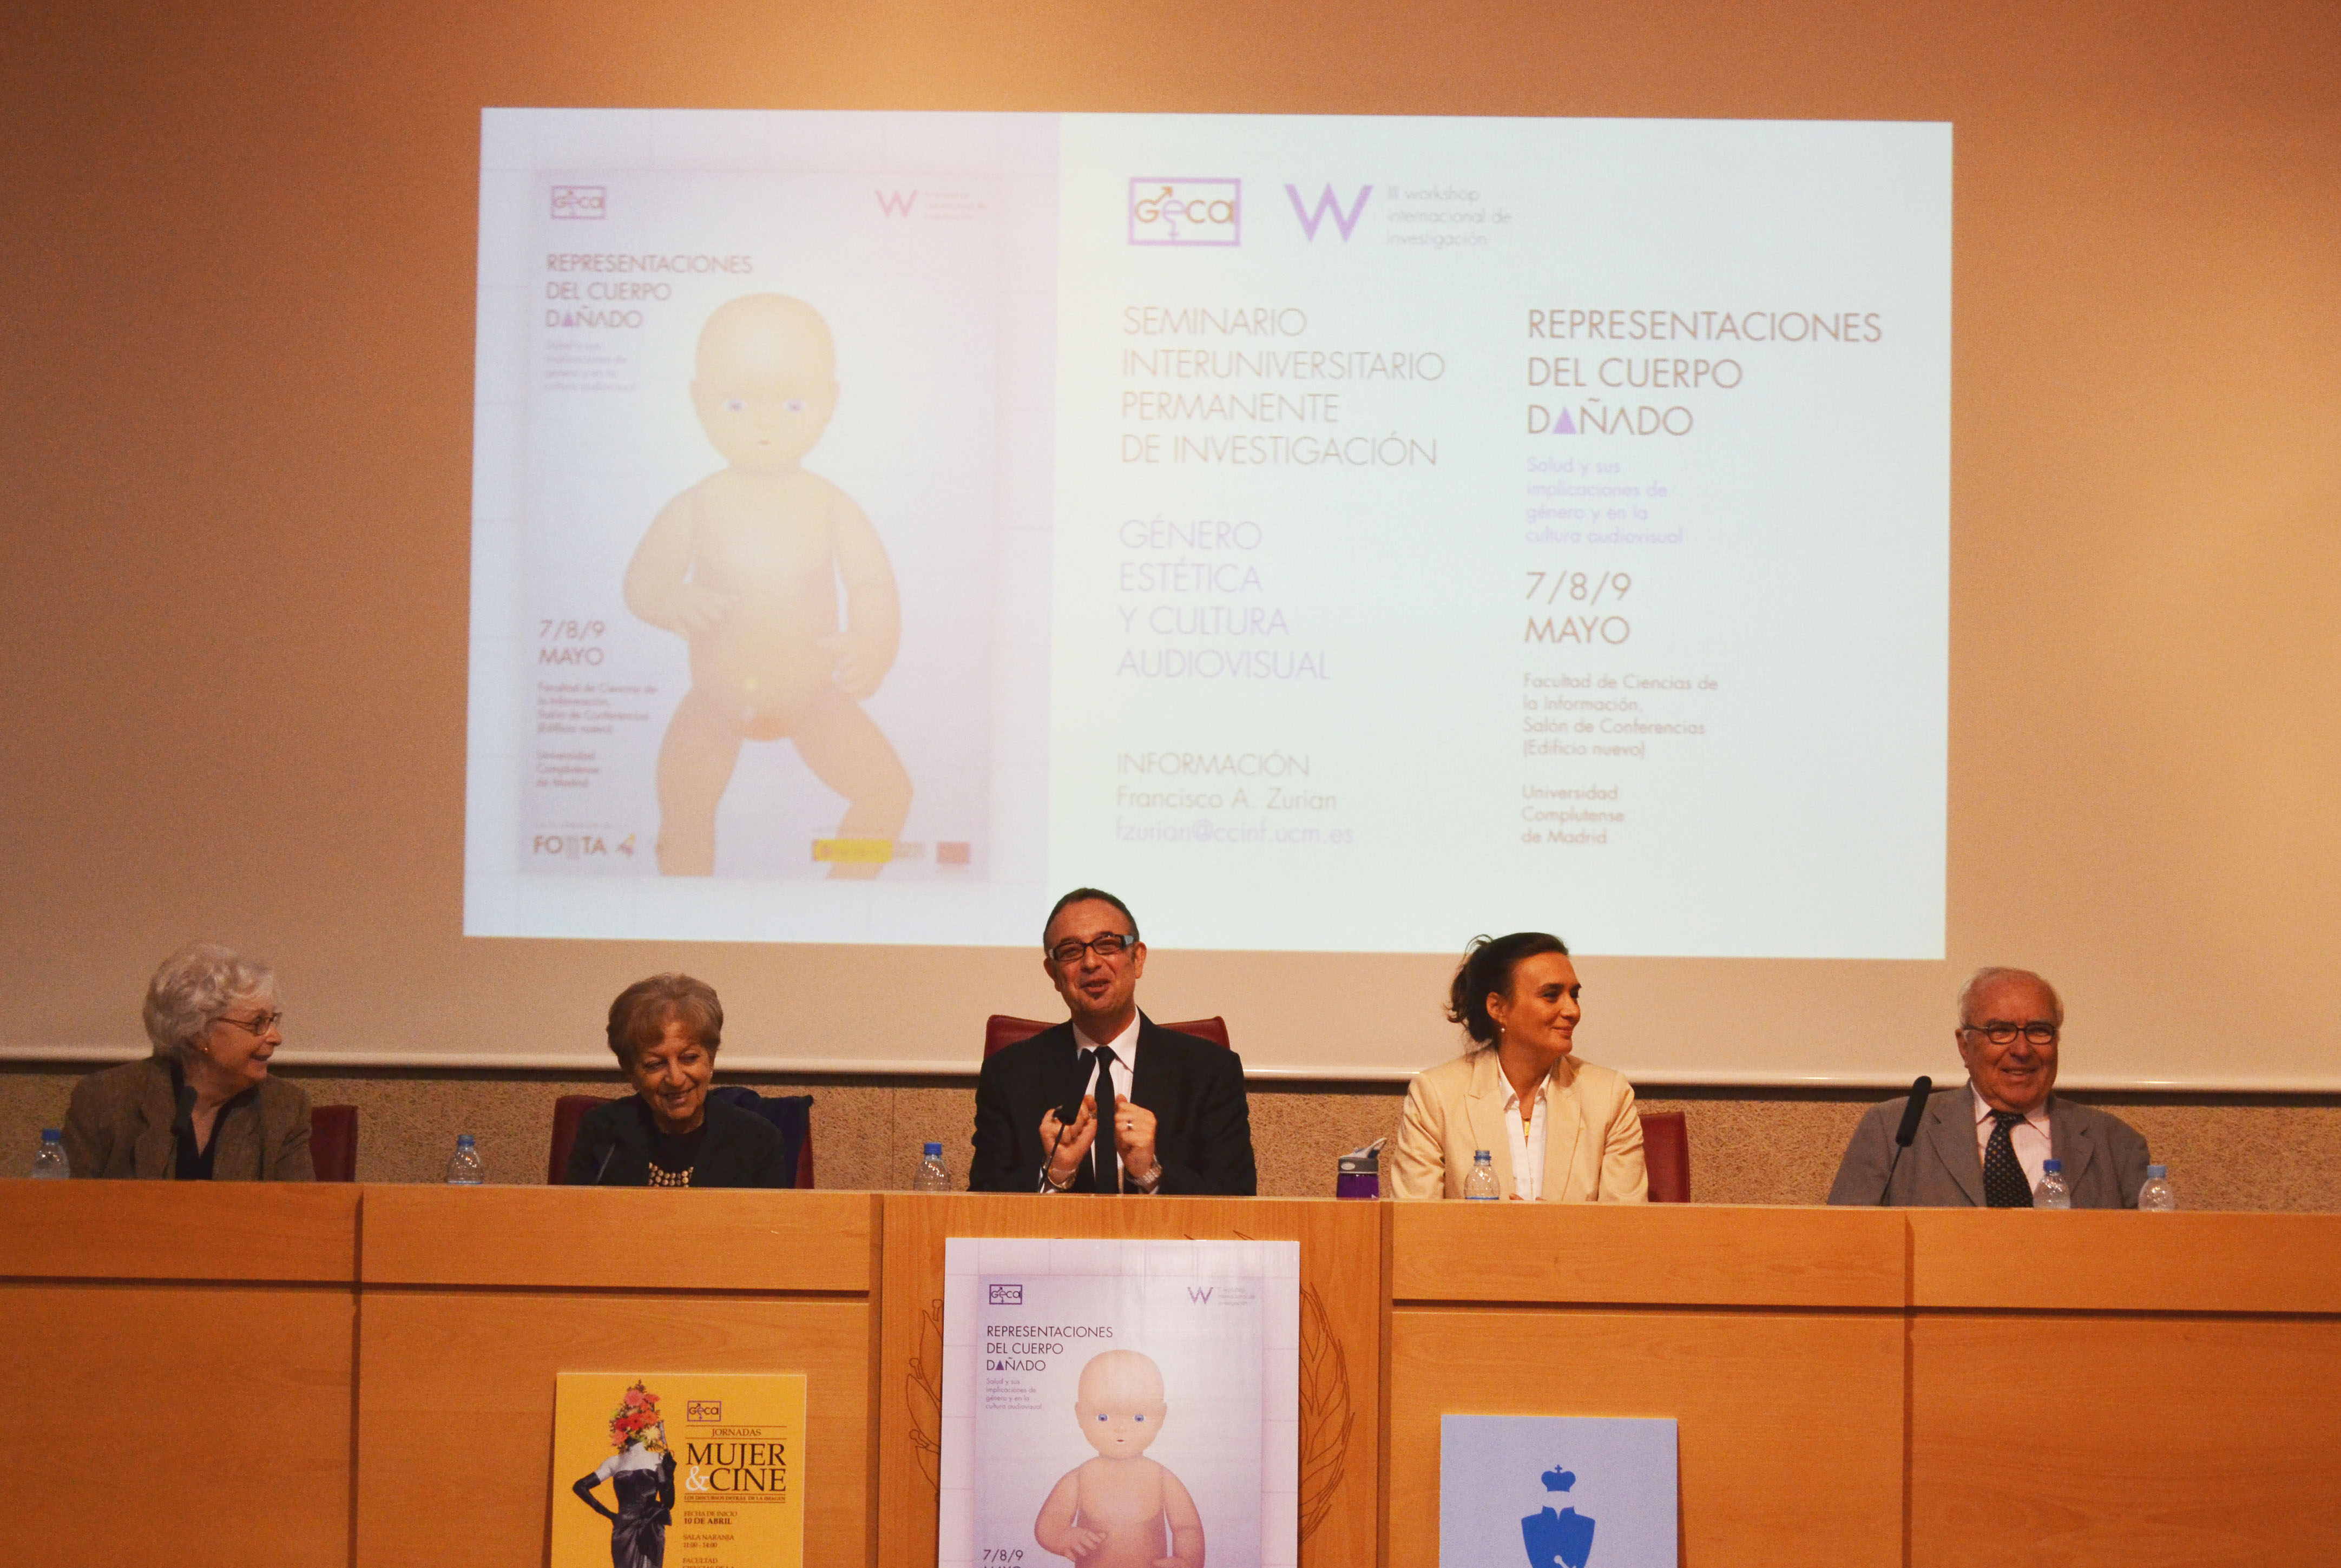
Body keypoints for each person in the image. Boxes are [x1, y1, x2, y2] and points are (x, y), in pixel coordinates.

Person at [624, 293, 912, 880]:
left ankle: (844, 896)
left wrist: (873, 644)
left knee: (888, 795)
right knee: (683, 814)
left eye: (791, 402)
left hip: (813, 698)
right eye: (736, 403)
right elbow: (643, 582)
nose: (763, 421)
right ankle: (686, 920)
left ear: (829, 404)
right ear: (700, 404)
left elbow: (872, 586)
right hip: (714, 702)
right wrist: (669, 601)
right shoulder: (698, 505)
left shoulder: (830, 506)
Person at [970, 888, 1257, 1195]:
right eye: (1070, 951)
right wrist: (1055, 1173)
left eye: (1107, 945)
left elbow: (1238, 1202)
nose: (1091, 962)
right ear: (1053, 974)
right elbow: (982, 1204)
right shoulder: (1009, 1074)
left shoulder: (1209, 1071)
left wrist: (1151, 1174)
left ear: (1138, 959)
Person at [1827, 966, 2152, 1207]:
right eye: (2001, 1031)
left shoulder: (2116, 1144)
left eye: (2039, 1031)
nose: (2022, 1050)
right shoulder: (1893, 1133)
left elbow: (2153, 1263)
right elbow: (1846, 1247)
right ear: (1965, 1047)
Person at [1386, 933, 1647, 1202]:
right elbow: (1413, 1225)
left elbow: (1625, 1228)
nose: (1572, 1011)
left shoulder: (1609, 1095)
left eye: (1575, 995)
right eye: (1551, 995)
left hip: (1574, 1247)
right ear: (1498, 1007)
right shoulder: (1436, 1095)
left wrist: (1557, 1232)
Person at [62, 942, 314, 1180]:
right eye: (257, 1023)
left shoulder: (284, 1108)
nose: (276, 1038)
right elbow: (65, 1209)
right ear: (197, 1032)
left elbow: (300, 1215)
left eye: (272, 1021)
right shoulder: (106, 1100)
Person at [565, 973, 795, 1187]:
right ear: (631, 1073)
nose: (675, 1079)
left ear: (711, 1060)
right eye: (655, 1064)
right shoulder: (603, 1133)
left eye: (689, 1058)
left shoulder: (756, 1140)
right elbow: (573, 1220)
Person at [1034, 1349, 1204, 1568]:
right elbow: (1052, 1520)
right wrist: (1059, 1538)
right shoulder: (1080, 1479)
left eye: (1138, 1417)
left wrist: (1188, 1561)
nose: (1121, 1428)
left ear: (1161, 1417)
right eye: (1102, 1417)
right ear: (1080, 1416)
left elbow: (1187, 1527)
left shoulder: (1161, 1478)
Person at [573, 1381, 679, 1568]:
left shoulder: (659, 1458)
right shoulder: (614, 1462)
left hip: (650, 1527)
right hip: (623, 1529)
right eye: (626, 1424)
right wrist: (608, 1514)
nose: (631, 1429)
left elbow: (669, 1503)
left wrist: (669, 1476)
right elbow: (580, 1486)